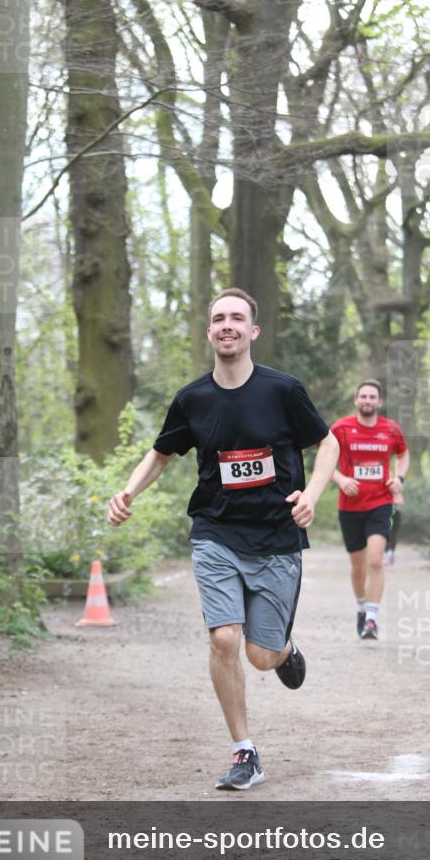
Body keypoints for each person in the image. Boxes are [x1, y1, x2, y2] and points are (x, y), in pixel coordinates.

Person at [108, 288, 338, 791]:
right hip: (215, 532)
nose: (227, 325)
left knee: (260, 654)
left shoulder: (282, 390)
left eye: (237, 318)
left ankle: (283, 649)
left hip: (277, 538)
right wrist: (128, 491)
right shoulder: (193, 399)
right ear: (210, 332)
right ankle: (245, 751)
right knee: (224, 638)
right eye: (218, 318)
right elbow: (162, 454)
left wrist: (312, 495)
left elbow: (329, 442)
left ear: (253, 331)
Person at [331, 380, 409, 640]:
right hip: (350, 507)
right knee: (358, 567)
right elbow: (324, 460)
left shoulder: (391, 429)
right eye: (363, 396)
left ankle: (373, 620)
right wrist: (341, 479)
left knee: (375, 560)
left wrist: (399, 479)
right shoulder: (341, 429)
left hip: (380, 502)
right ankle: (362, 607)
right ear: (356, 400)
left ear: (379, 402)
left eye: (372, 396)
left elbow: (403, 454)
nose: (367, 400)